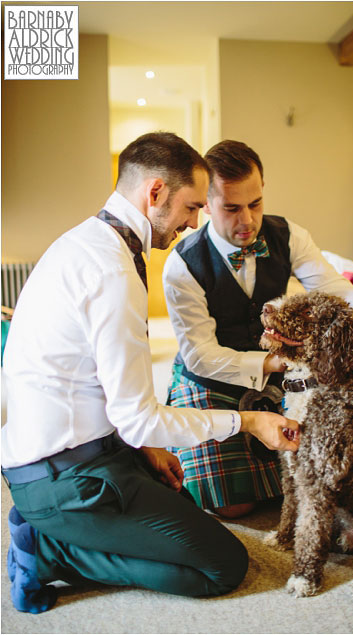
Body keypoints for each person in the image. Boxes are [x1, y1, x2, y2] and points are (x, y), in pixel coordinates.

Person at [1, 132, 301, 614]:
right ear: (155, 192)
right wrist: (248, 423)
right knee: (222, 564)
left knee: (177, 498)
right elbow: (139, 416)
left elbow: (111, 394)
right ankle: (49, 550)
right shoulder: (112, 272)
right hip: (66, 476)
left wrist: (148, 447)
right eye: (191, 207)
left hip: (86, 450)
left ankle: (63, 530)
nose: (193, 222)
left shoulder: (88, 241)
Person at [162, 140, 353, 518]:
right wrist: (276, 363)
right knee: (233, 505)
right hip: (209, 378)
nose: (247, 221)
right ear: (206, 204)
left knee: (322, 476)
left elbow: (338, 289)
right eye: (231, 208)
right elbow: (201, 355)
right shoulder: (182, 265)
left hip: (277, 378)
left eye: (256, 204)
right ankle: (177, 449)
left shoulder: (289, 235)